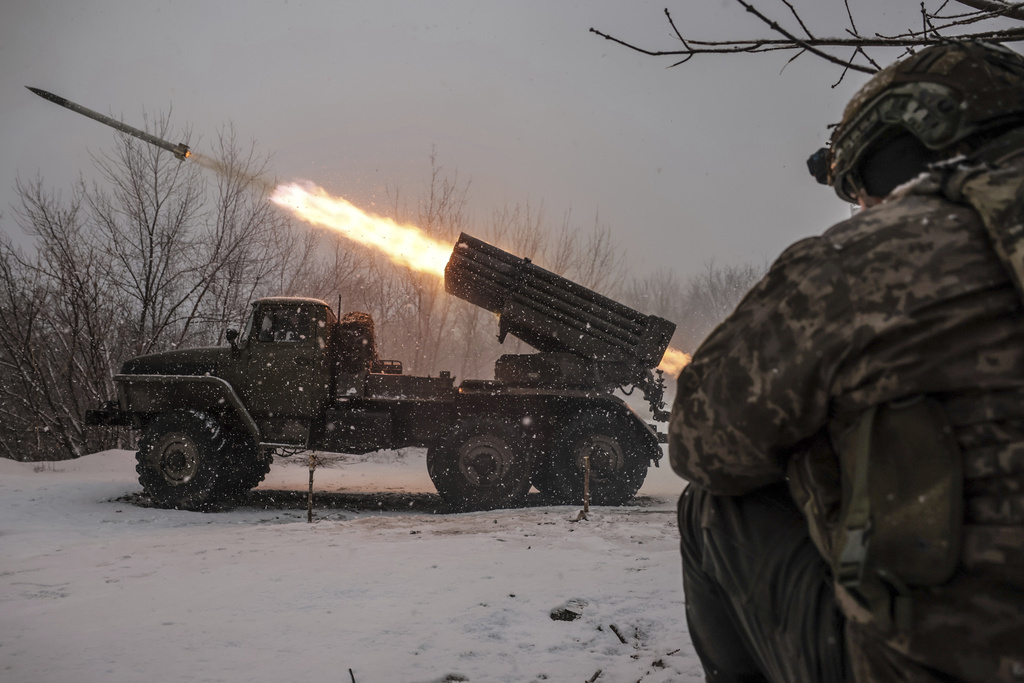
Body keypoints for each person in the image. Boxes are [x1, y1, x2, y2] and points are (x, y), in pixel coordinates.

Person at [669, 41, 1024, 682]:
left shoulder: (867, 261)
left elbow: (702, 441)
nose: (859, 209)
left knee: (713, 505)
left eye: (857, 190)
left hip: (938, 666)